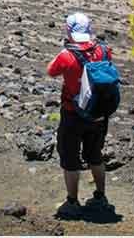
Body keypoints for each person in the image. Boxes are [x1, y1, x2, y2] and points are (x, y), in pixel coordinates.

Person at [47, 12, 113, 219]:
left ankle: (73, 202)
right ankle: (100, 197)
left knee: (70, 157)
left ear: (69, 31)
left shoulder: (66, 55)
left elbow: (51, 71)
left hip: (72, 113)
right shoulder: (103, 50)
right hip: (99, 113)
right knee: (95, 154)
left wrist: (64, 47)